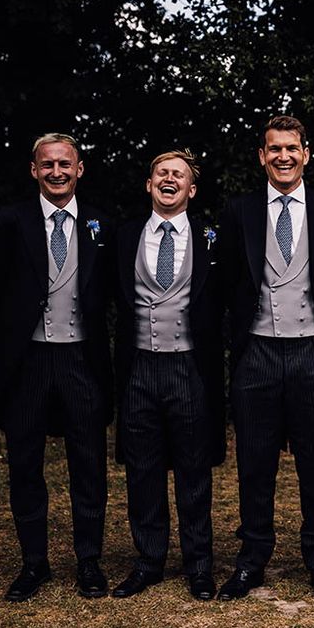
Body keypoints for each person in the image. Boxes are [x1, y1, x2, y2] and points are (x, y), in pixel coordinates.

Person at [217, 115, 314, 603]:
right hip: (258, 351)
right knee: (254, 462)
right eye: (274, 149)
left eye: (292, 148)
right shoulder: (239, 211)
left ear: (306, 153)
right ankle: (252, 559)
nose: (283, 156)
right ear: (262, 156)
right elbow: (230, 281)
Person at [0, 133, 114, 601]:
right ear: (34, 170)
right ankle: (33, 564)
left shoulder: (101, 224)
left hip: (83, 359)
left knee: (89, 464)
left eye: (65, 164)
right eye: (48, 165)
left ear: (79, 169)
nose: (56, 172)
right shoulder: (8, 222)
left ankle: (89, 561)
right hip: (31, 361)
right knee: (25, 464)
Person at [112, 150, 225, 601]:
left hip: (189, 366)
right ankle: (148, 560)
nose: (170, 179)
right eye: (162, 173)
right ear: (149, 184)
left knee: (194, 470)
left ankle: (199, 564)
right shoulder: (123, 236)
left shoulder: (212, 237)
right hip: (139, 365)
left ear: (191, 190)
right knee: (143, 469)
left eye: (179, 175)